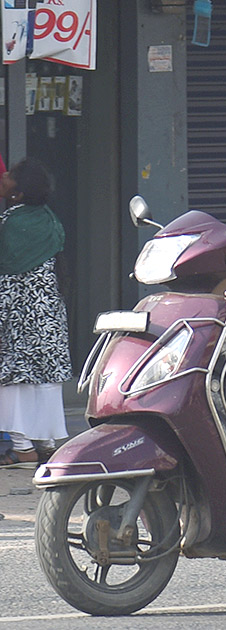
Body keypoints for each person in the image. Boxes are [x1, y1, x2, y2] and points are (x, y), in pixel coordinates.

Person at [0, 158, 72, 468]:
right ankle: (47, 444)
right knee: (46, 378)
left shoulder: (10, 223)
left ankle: (22, 448)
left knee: (15, 379)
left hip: (18, 313)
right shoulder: (50, 219)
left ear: (20, 189)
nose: (5, 177)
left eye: (12, 176)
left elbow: (7, 272)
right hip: (49, 313)